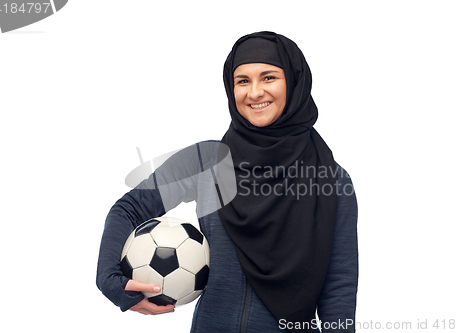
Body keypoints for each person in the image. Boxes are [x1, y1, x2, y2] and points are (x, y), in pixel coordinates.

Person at [96, 31, 358, 332]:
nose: (255, 92)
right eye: (242, 81)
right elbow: (129, 209)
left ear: (295, 83)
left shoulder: (332, 180)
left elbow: (338, 290)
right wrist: (111, 281)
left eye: (269, 77)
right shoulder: (207, 160)